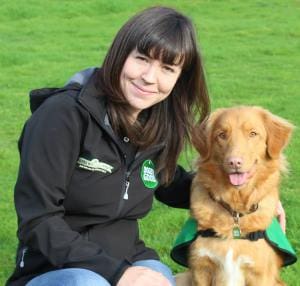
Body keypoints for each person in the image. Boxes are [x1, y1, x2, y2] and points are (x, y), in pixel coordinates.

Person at [6, 6, 210, 286]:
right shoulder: (62, 116)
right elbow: (37, 219)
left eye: (167, 68)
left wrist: (251, 195)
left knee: (161, 278)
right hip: (55, 268)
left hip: (128, 256)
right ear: (120, 54)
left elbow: (172, 184)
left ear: (179, 79)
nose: (150, 77)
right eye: (142, 59)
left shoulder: (156, 124)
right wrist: (118, 274)